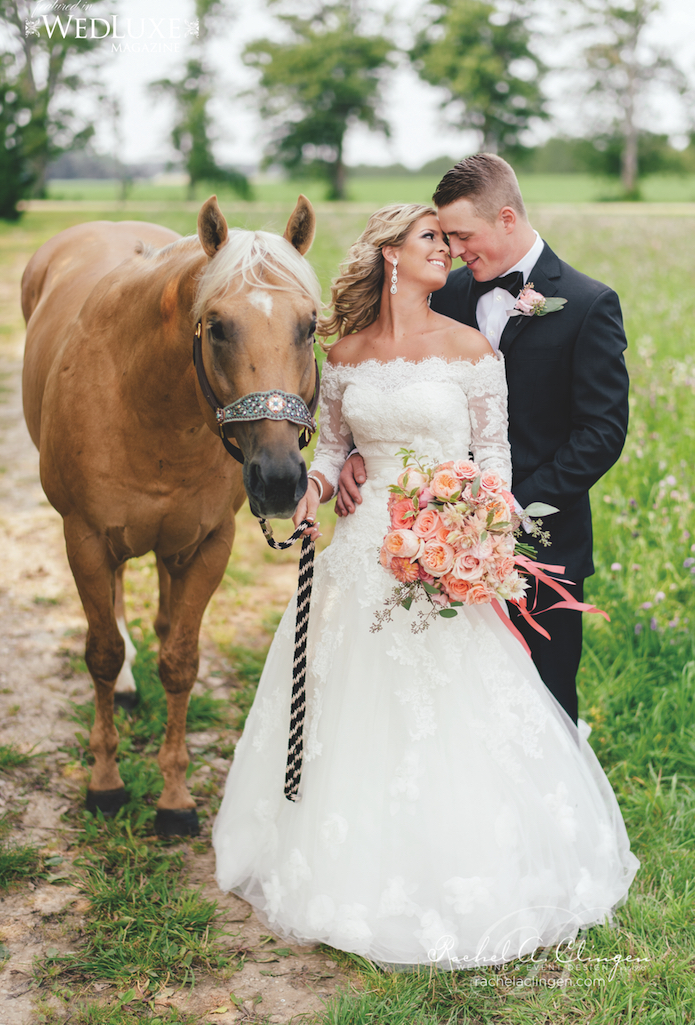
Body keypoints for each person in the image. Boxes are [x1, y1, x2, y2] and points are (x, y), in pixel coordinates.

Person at [213, 203, 638, 969]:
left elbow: (494, 460)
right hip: (362, 550)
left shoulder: (473, 349)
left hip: (443, 556)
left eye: (448, 236)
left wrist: (475, 532)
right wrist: (314, 488)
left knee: (451, 706)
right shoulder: (341, 356)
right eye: (430, 239)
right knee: (351, 705)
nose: (446, 248)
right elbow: (332, 446)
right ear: (389, 258)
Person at [335, 155, 629, 725]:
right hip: (420, 545)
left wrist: (502, 510)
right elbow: (393, 385)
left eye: (463, 236)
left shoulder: (589, 305)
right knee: (438, 707)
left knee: (542, 707)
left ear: (507, 219)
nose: (454, 250)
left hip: (539, 545)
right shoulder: (442, 291)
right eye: (444, 237)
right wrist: (357, 453)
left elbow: (601, 433)